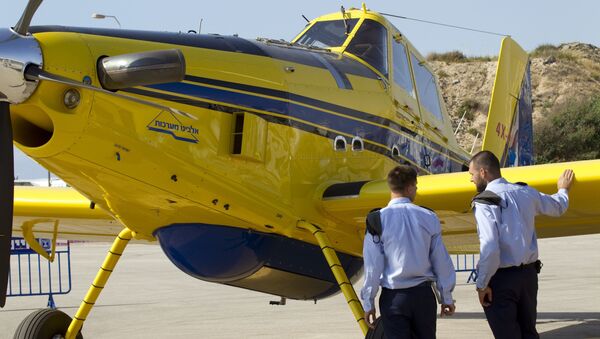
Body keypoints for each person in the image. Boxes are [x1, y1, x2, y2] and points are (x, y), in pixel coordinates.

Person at [468, 151, 574, 339]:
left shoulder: (484, 202)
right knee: (529, 333)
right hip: (528, 278)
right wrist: (563, 189)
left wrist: (482, 284)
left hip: (501, 280)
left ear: (483, 172)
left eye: (472, 174)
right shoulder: (526, 192)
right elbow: (558, 207)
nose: (471, 180)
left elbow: (490, 246)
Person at [361, 165, 456, 339]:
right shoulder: (429, 217)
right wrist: (446, 297)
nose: (417, 190)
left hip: (393, 298)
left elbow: (372, 267)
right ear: (410, 187)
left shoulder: (377, 220)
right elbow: (441, 261)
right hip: (423, 297)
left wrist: (368, 302)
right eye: (416, 186)